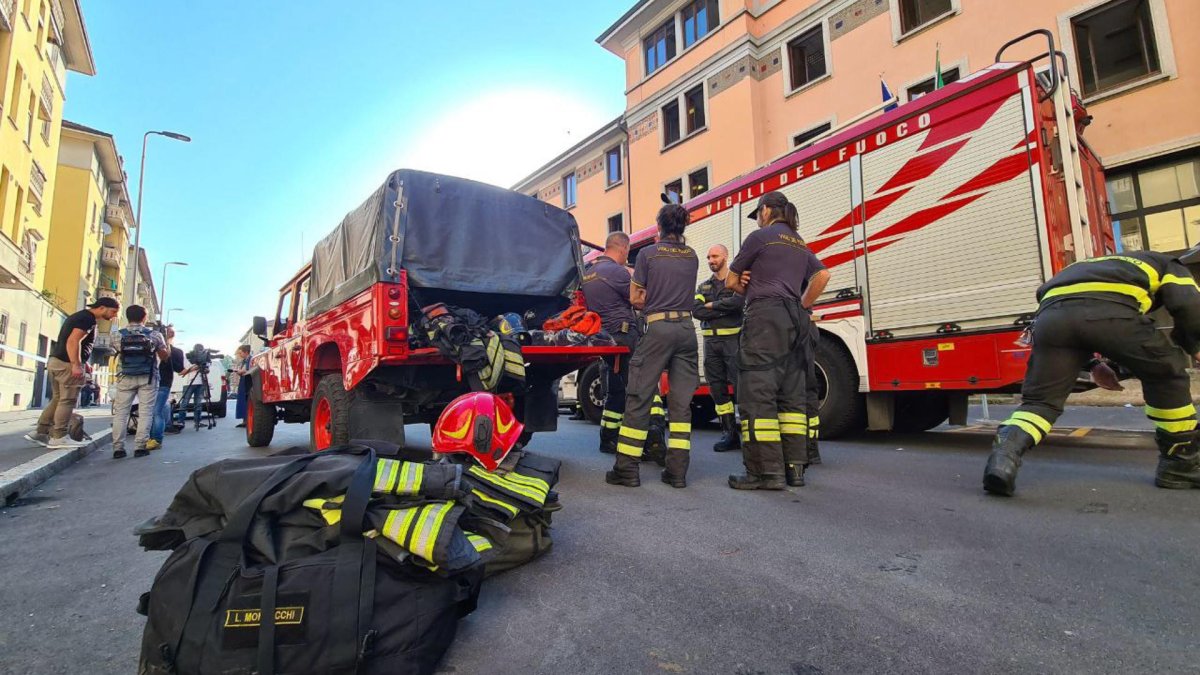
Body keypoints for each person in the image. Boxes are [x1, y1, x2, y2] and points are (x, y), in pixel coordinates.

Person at [983, 247, 1200, 496]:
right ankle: (1179, 465)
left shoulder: (1085, 267)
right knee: (1166, 373)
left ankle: (1003, 458)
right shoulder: (1170, 264)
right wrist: (1195, 345)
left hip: (1050, 319)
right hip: (1110, 313)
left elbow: (1075, 313)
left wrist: (1093, 365)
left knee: (1040, 403)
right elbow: (1189, 305)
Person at [726, 191, 830, 490]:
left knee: (758, 392)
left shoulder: (760, 237)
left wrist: (749, 286)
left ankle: (764, 473)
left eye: (758, 213)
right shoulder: (799, 242)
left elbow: (731, 281)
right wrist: (802, 305)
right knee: (791, 394)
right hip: (796, 320)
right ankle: (794, 469)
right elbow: (822, 276)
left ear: (767, 210)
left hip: (765, 318)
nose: (758, 219)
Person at [606, 203, 700, 488]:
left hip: (658, 329)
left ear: (659, 226)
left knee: (639, 396)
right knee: (681, 404)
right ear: (682, 226)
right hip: (687, 330)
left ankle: (626, 469)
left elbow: (635, 298)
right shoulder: (692, 255)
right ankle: (677, 473)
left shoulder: (648, 254)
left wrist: (654, 299)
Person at [26, 297, 120, 449]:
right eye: (113, 311)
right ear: (102, 307)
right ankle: (59, 436)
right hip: (67, 364)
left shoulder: (79, 316)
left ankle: (40, 432)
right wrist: (76, 364)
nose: (114, 315)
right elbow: (73, 341)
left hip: (56, 361)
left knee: (57, 399)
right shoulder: (87, 319)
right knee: (67, 400)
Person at [581, 231, 639, 455]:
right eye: (627, 251)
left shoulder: (589, 272)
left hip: (603, 339)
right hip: (624, 336)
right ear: (623, 248)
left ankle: (607, 439)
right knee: (638, 389)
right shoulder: (617, 272)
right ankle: (645, 443)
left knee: (614, 391)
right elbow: (637, 300)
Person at [693, 244, 745, 452]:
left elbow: (738, 304)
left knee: (742, 388)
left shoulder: (735, 282)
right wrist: (723, 307)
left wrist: (712, 306)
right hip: (710, 345)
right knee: (717, 390)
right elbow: (696, 310)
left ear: (725, 256)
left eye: (714, 256)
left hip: (733, 342)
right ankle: (729, 434)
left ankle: (750, 434)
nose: (711, 260)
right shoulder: (703, 287)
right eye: (708, 257)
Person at [110, 305, 169, 458]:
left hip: (125, 376)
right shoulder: (155, 335)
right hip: (148, 377)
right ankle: (140, 447)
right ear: (144, 317)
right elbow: (164, 356)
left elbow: (116, 351)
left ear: (127, 316)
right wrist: (164, 340)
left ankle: (118, 448)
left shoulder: (117, 335)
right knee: (145, 412)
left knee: (121, 413)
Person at [149, 326, 187, 449]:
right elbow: (180, 370)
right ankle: (156, 439)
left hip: (149, 381)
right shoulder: (176, 351)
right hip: (164, 383)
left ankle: (151, 438)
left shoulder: (150, 345)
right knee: (157, 412)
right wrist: (195, 367)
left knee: (151, 412)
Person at [233, 344, 252, 427]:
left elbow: (250, 370)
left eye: (241, 353)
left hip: (247, 381)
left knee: (246, 401)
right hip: (243, 381)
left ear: (246, 352)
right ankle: (244, 420)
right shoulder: (244, 361)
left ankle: (247, 420)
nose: (240, 355)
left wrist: (242, 371)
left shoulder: (251, 359)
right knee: (242, 401)